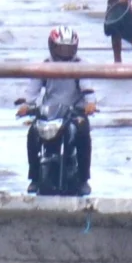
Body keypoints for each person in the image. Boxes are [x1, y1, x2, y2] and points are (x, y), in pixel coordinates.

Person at [23, 28, 93, 193]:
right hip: (50, 112)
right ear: (52, 47)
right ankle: (34, 176)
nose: (65, 53)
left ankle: (84, 179)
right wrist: (27, 105)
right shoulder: (45, 65)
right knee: (32, 135)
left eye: (68, 49)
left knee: (83, 135)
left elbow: (87, 87)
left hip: (74, 112)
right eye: (61, 49)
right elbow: (33, 89)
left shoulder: (80, 65)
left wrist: (90, 104)